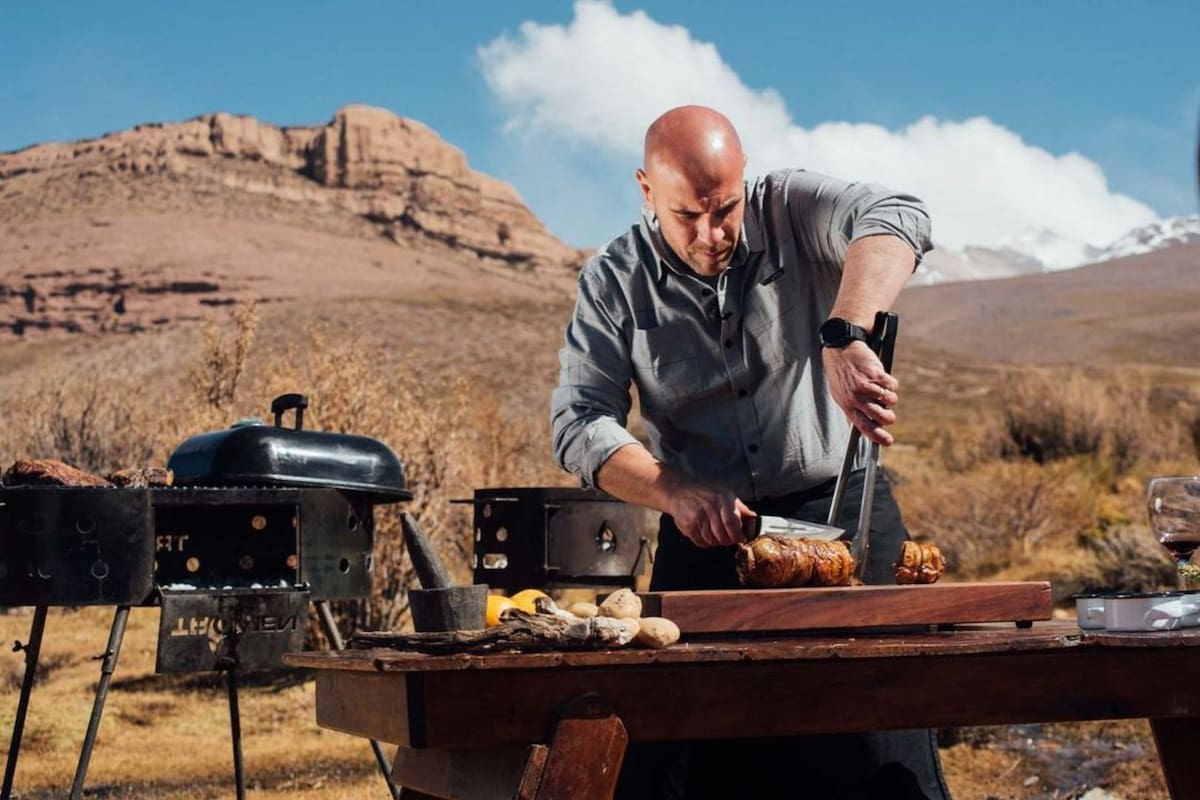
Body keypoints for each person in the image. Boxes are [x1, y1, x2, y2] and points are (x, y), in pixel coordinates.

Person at [550, 105, 949, 799]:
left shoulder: (791, 206)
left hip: (843, 519)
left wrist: (846, 332)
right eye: (686, 216)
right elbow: (580, 422)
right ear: (646, 190)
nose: (711, 235)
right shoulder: (612, 281)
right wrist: (673, 491)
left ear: (744, 179)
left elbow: (898, 214)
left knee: (884, 745)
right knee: (686, 766)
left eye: (726, 210)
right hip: (705, 532)